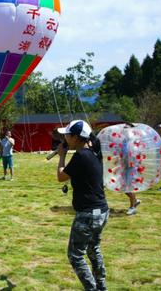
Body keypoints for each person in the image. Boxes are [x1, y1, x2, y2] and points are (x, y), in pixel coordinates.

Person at [55, 119, 109, 291]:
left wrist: (62, 155)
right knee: (93, 249)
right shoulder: (93, 153)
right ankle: (101, 286)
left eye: (67, 135)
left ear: (77, 137)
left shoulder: (80, 155)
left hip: (87, 214)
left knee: (75, 255)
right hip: (101, 211)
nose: (65, 138)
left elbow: (61, 176)